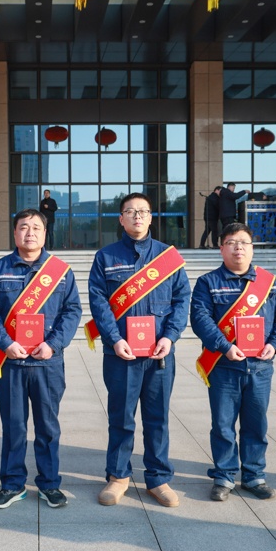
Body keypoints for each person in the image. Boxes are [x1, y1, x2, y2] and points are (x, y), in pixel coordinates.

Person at [87, 193, 191, 508]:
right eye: (130, 211)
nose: (137, 216)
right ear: (121, 219)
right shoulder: (105, 257)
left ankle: (158, 478)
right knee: (121, 418)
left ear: (150, 217)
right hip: (121, 354)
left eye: (143, 211)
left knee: (157, 419)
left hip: (159, 355)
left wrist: (170, 337)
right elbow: (98, 302)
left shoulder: (168, 257)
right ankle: (118, 476)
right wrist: (114, 338)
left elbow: (182, 299)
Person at [0, 209, 82, 509]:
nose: (30, 233)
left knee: (48, 427)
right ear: (15, 233)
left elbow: (72, 311)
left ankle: (49, 484)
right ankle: (12, 485)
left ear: (45, 233)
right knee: (13, 426)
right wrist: (6, 343)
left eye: (36, 227)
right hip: (11, 361)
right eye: (24, 227)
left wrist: (53, 344)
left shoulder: (60, 271)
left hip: (47, 362)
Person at [191, 223, 276, 501]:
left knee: (256, 423)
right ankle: (224, 475)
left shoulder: (269, 283)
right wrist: (225, 347)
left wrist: (275, 344)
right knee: (223, 425)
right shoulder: (207, 283)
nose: (238, 248)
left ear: (252, 248)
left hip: (260, 366)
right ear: (221, 248)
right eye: (231, 242)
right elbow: (200, 319)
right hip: (224, 366)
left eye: (244, 242)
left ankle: (253, 475)